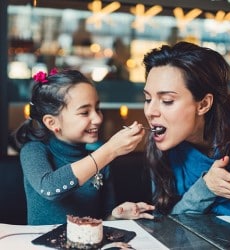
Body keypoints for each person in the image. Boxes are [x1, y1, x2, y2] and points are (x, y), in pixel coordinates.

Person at [13, 69, 154, 225]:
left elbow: (102, 219)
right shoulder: (34, 150)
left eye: (98, 109)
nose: (98, 118)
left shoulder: (102, 160)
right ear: (52, 123)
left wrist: (116, 215)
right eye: (85, 112)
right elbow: (50, 188)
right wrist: (110, 150)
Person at [141, 41, 230, 217]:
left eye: (167, 101)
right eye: (147, 99)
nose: (150, 112)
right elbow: (169, 224)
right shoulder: (161, 147)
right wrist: (206, 187)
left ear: (204, 104)